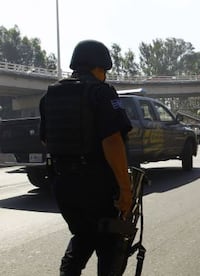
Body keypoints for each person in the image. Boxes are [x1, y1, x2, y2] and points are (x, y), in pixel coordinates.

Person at [39, 40, 133, 275]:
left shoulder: (51, 94)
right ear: (100, 67)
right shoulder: (101, 92)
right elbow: (112, 141)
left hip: (63, 184)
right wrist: (125, 189)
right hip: (96, 184)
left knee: (83, 235)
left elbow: (46, 140)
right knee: (110, 243)